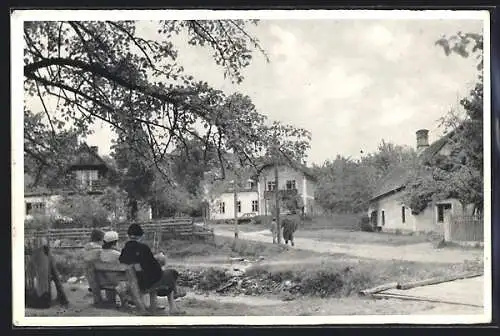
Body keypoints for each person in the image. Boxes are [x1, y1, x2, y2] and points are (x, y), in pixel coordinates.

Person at [119, 224, 183, 314]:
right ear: (141, 235)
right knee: (172, 273)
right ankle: (173, 306)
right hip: (146, 283)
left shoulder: (125, 249)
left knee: (157, 275)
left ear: (128, 235)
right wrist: (159, 260)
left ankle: (156, 305)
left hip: (136, 281)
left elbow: (127, 263)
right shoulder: (143, 248)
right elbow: (155, 268)